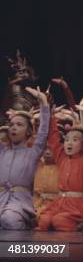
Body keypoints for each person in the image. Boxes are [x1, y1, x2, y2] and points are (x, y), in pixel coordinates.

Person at [35, 100, 83, 231]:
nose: (69, 143)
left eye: (75, 140)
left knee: (59, 222)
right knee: (44, 221)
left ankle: (77, 223)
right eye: (67, 140)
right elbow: (53, 138)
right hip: (59, 202)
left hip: (74, 205)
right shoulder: (60, 156)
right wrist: (52, 117)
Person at [0, 87, 49, 229]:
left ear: (28, 131)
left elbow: (43, 132)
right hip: (1, 197)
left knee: (9, 219)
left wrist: (44, 103)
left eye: (19, 125)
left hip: (19, 200)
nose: (13, 128)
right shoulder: (3, 151)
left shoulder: (33, 152)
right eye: (11, 125)